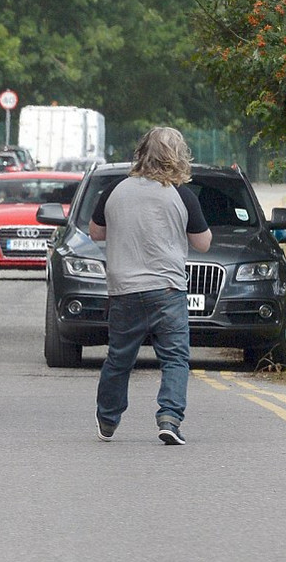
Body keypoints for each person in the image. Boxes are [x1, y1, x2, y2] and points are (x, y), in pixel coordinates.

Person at [89, 127, 211, 446]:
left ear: (141, 152)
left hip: (124, 290)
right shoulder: (182, 194)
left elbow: (96, 233)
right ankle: (170, 417)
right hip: (167, 290)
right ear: (178, 156)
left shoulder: (115, 191)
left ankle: (107, 419)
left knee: (119, 357)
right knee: (174, 358)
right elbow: (202, 243)